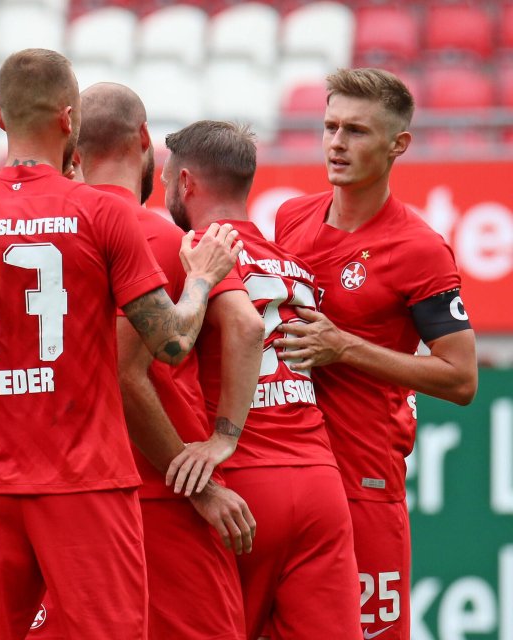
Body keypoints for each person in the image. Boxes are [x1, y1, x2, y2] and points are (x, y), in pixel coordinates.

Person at [0, 49, 246, 640]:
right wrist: (199, 280)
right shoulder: (100, 212)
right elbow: (170, 347)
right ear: (68, 120)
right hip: (85, 479)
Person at [31, 83, 259, 640]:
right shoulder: (158, 234)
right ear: (144, 140)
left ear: (74, 150)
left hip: (60, 488)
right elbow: (245, 329)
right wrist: (207, 466)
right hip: (158, 489)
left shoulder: (46, 233)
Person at [273, 68, 478, 640]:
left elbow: (461, 379)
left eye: (357, 132)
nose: (336, 144)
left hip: (364, 479)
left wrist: (344, 347)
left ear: (398, 144)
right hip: (286, 470)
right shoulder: (291, 217)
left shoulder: (420, 249)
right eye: (330, 127)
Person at [165, 119, 362, 639]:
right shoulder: (290, 262)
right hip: (320, 480)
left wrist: (223, 437)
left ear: (185, 182)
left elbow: (248, 327)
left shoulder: (204, 247)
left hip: (246, 482)